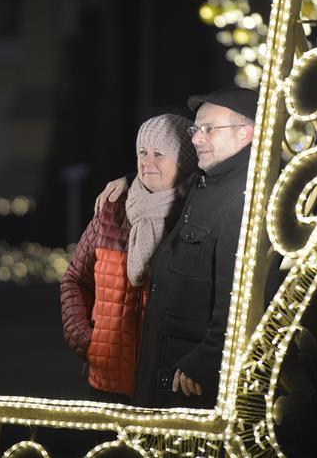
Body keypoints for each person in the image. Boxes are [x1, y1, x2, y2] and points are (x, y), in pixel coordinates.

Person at [94, 87, 256, 407]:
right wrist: (132, 180)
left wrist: (208, 358)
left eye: (209, 129)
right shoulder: (210, 179)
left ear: (244, 134)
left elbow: (241, 294)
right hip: (166, 355)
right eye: (197, 129)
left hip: (190, 371)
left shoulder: (244, 197)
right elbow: (169, 176)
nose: (196, 138)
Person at [60, 114, 197, 399]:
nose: (147, 162)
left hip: (169, 385)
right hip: (108, 380)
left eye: (159, 154)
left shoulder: (196, 214)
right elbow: (75, 279)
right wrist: (86, 340)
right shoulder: (113, 207)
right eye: (142, 152)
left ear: (184, 161)